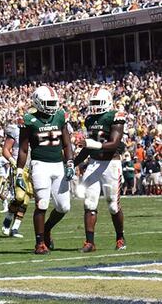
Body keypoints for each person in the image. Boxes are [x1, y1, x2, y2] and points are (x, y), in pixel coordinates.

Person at [15, 86, 73, 255]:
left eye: (54, 102)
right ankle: (39, 242)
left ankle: (46, 229)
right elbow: (24, 149)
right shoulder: (28, 119)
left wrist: (69, 163)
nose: (52, 106)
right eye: (48, 103)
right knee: (42, 204)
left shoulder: (60, 116)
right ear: (38, 102)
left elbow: (67, 143)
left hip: (58, 165)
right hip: (40, 164)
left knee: (64, 207)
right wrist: (19, 172)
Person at [72, 87, 127, 252]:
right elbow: (88, 148)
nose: (95, 106)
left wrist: (91, 144)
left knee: (113, 206)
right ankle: (90, 242)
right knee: (89, 202)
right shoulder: (89, 119)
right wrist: (73, 162)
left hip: (111, 163)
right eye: (93, 103)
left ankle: (120, 238)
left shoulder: (115, 116)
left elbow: (114, 144)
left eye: (98, 103)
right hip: (94, 162)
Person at [1, 121, 31, 238]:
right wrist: (13, 162)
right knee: (19, 197)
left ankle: (15, 228)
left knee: (26, 200)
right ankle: (8, 218)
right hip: (19, 168)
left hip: (32, 167)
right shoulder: (16, 130)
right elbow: (5, 150)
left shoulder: (38, 131)